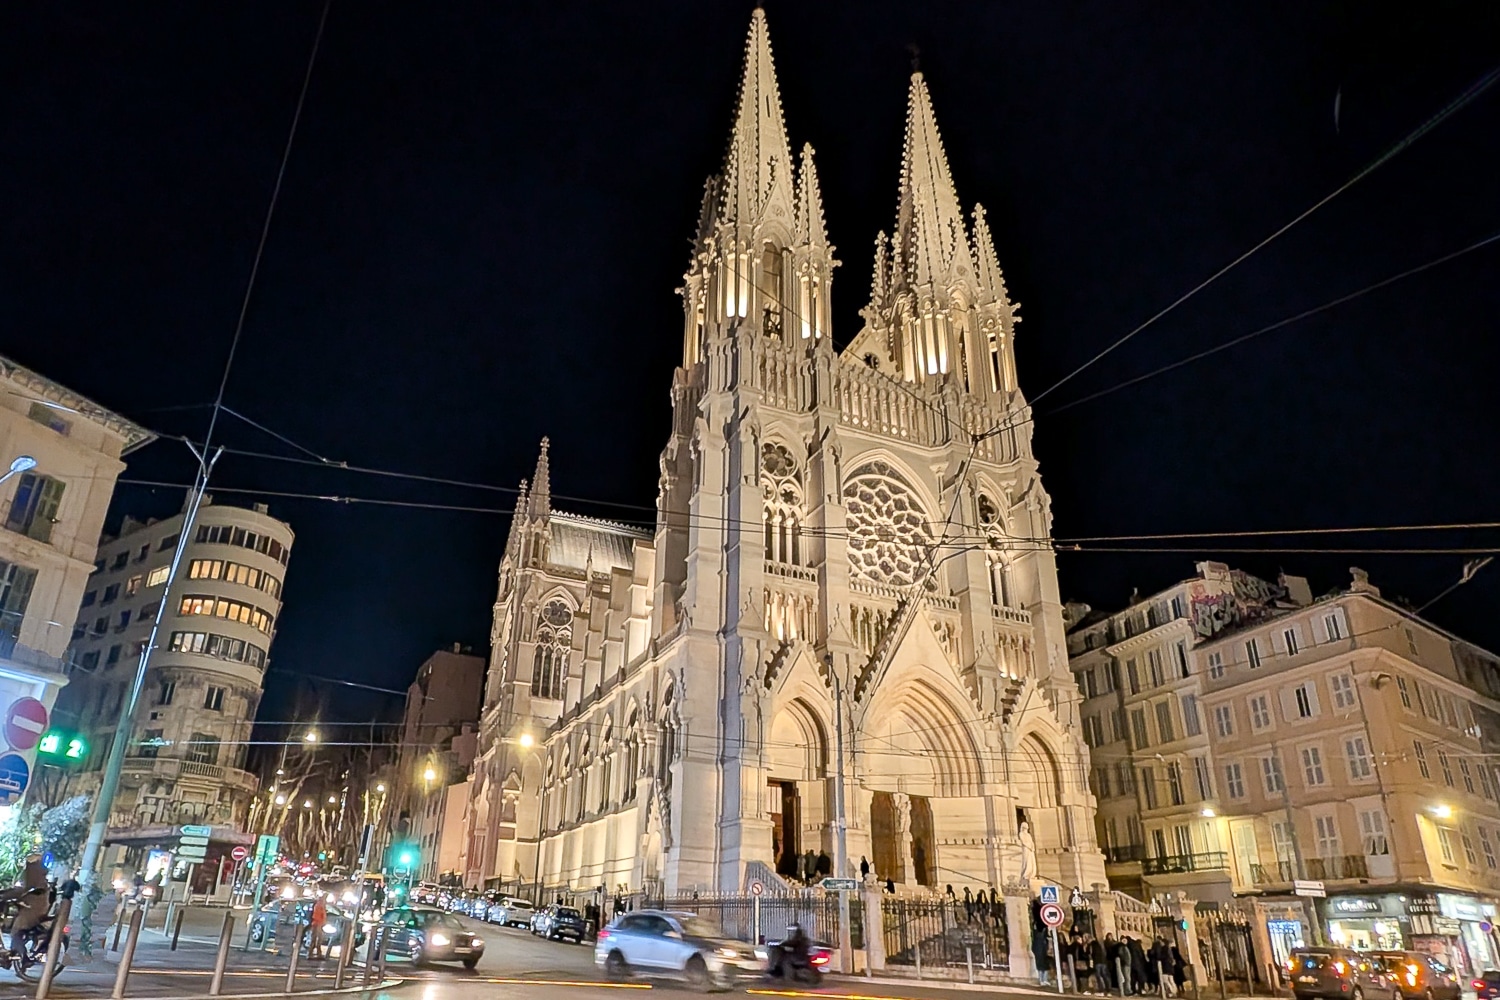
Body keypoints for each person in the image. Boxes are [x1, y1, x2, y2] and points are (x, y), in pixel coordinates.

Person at [308, 895, 328, 959]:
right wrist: (321, 923)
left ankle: (317, 954)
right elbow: (316, 916)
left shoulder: (321, 905)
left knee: (318, 939)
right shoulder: (319, 905)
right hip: (317, 924)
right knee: (316, 939)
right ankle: (311, 954)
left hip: (319, 924)